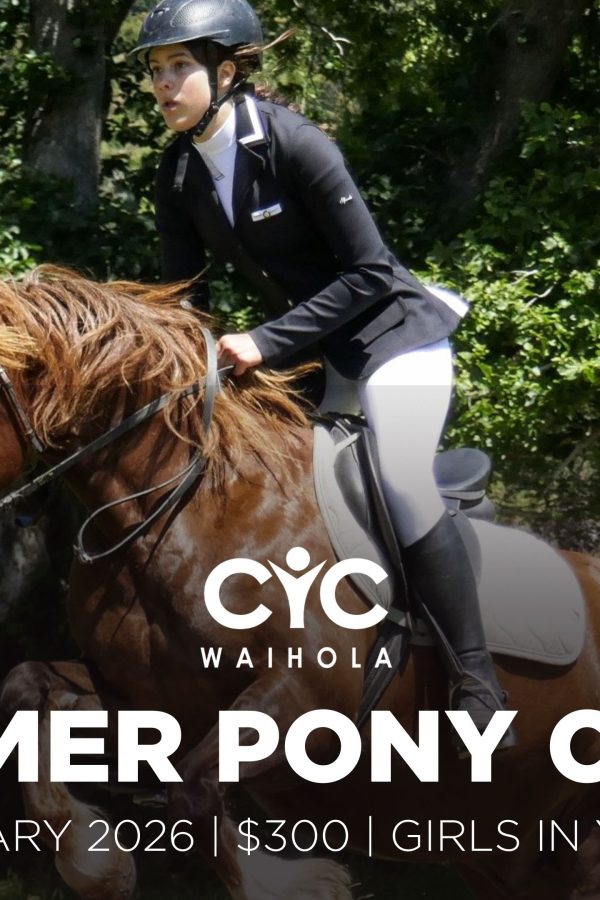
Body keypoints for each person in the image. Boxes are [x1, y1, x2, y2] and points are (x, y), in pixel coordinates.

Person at [131, 0, 515, 751]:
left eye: (179, 66)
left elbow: (370, 272)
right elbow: (185, 302)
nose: (164, 84)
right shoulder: (177, 173)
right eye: (155, 71)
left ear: (226, 71)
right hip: (310, 356)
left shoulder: (294, 144)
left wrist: (263, 340)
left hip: (395, 340)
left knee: (400, 480)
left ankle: (477, 684)